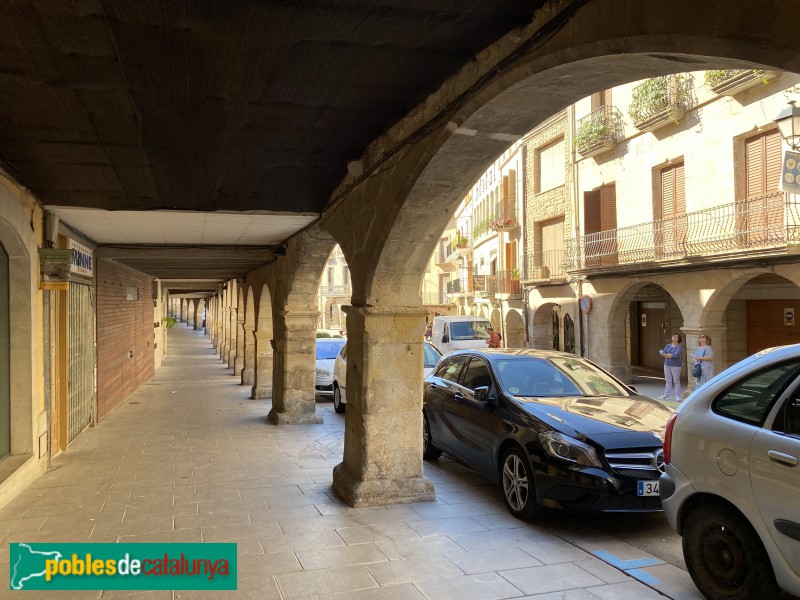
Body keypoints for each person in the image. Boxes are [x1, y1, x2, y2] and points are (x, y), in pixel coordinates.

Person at [659, 333, 683, 401]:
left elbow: (676, 355)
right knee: (668, 380)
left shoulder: (679, 346)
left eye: (676, 336)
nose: (674, 337)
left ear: (678, 339)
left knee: (676, 381)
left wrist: (667, 355)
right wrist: (667, 355)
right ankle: (666, 395)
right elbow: (662, 352)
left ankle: (678, 396)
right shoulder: (668, 345)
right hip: (666, 364)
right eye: (673, 336)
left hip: (676, 365)